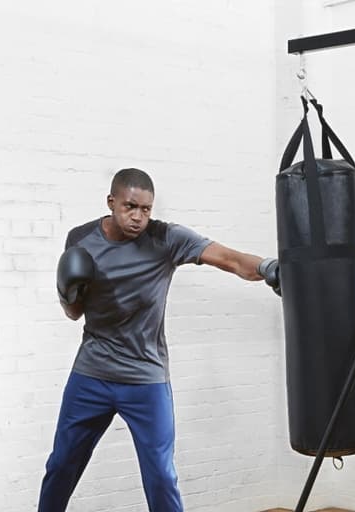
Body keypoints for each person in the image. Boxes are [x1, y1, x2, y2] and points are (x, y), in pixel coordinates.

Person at [38, 168, 280, 511]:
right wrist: (67, 294)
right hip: (91, 374)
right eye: (130, 207)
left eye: (146, 209)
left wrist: (272, 268)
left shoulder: (166, 239)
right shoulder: (80, 239)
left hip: (144, 379)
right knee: (61, 465)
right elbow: (74, 312)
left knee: (161, 477)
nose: (138, 217)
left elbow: (230, 260)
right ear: (111, 202)